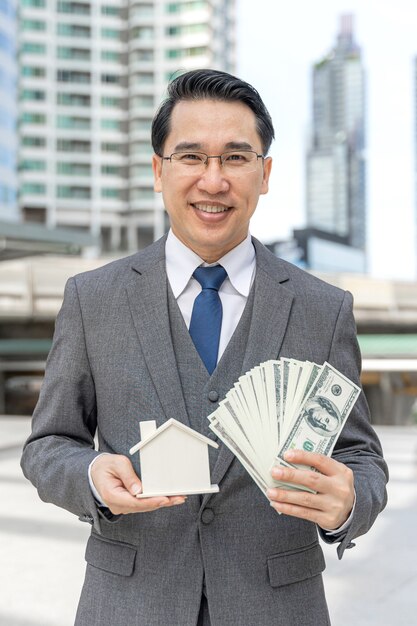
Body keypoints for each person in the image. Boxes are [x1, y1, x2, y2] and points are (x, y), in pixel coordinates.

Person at [21, 69, 388, 626]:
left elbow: (360, 457)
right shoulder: (92, 299)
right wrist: (93, 477)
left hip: (278, 607)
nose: (213, 181)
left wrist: (349, 504)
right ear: (157, 171)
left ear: (264, 174)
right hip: (128, 606)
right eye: (191, 157)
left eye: (236, 158)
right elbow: (48, 444)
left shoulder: (322, 308)